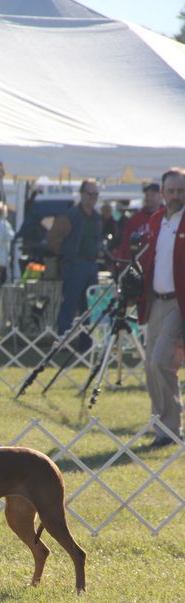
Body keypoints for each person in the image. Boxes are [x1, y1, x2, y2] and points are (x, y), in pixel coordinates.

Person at [138, 168, 185, 448]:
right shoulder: (157, 221)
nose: (176, 196)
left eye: (181, 191)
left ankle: (170, 428)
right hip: (156, 300)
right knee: (149, 366)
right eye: (171, 191)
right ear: (162, 193)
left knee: (160, 362)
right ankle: (159, 424)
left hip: (179, 303)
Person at [47, 179, 102, 350]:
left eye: (96, 194)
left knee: (90, 308)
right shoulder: (70, 216)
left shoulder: (97, 217)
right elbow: (52, 240)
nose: (93, 197)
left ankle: (86, 344)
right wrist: (66, 255)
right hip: (75, 266)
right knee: (69, 306)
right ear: (81, 194)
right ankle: (62, 343)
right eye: (89, 194)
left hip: (92, 266)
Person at [116, 183, 163, 262]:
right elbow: (126, 243)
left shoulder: (167, 216)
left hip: (161, 263)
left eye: (152, 195)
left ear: (160, 196)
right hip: (141, 266)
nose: (149, 198)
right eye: (147, 195)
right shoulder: (135, 219)